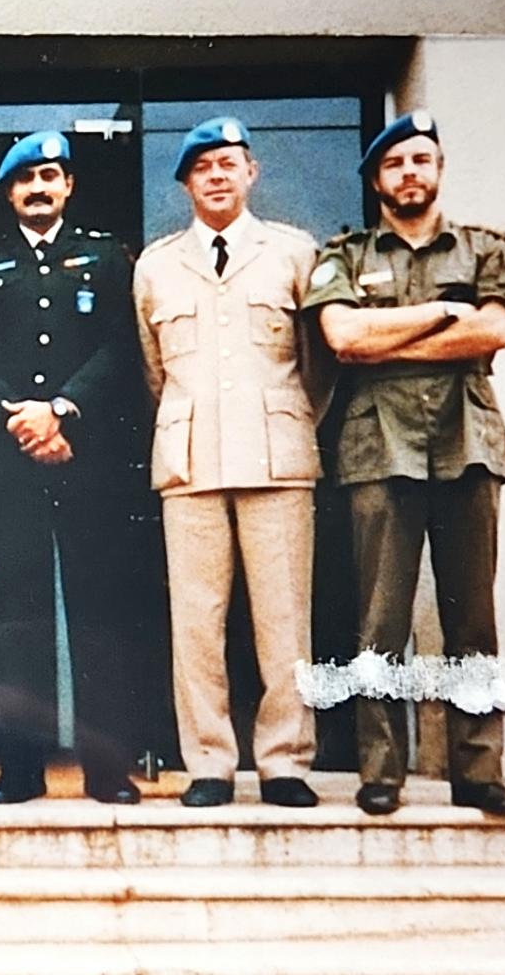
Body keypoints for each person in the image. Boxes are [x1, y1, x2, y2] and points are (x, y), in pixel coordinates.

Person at [302, 110, 505, 817]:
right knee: (380, 621)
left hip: (468, 442)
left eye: (421, 160)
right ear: (376, 179)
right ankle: (381, 771)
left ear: (438, 170)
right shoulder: (344, 255)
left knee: (472, 621)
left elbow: (496, 329)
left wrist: (391, 337)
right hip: (380, 446)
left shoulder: (486, 249)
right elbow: (344, 337)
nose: (409, 173)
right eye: (395, 163)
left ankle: (478, 768)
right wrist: (444, 315)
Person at [0, 130, 152, 805]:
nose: (38, 188)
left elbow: (122, 345)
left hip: (86, 458)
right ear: (9, 193)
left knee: (101, 617)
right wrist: (16, 415)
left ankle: (107, 769)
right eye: (26, 180)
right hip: (10, 461)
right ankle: (20, 768)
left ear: (68, 186)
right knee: (17, 618)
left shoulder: (104, 257)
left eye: (50, 177)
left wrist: (62, 410)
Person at [132, 117, 323, 809]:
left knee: (284, 621)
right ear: (185, 183)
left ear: (251, 172)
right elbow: (156, 369)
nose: (216, 176)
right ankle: (208, 762)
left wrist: (287, 421)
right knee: (196, 622)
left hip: (276, 459)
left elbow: (318, 365)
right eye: (202, 167)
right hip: (190, 463)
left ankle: (284, 761)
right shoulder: (156, 265)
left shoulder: (293, 253)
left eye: (228, 164)